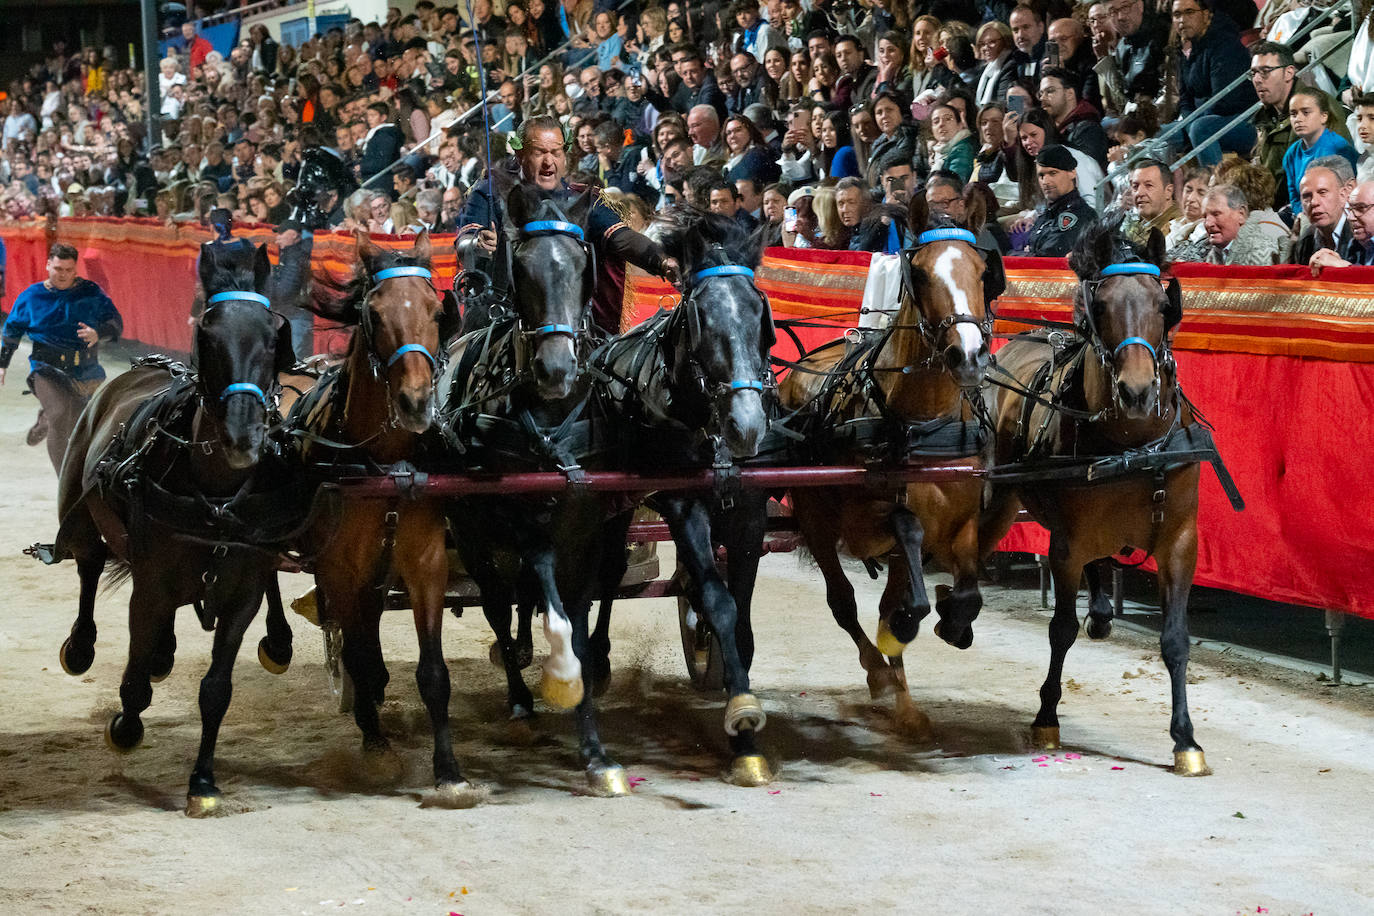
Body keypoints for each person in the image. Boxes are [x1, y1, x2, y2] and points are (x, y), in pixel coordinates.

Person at [456, 116, 681, 335]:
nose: (548, 162)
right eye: (539, 152)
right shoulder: (490, 191)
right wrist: (477, 242)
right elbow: (464, 241)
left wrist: (661, 260)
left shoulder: (584, 200)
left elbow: (622, 238)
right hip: (500, 316)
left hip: (569, 322)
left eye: (556, 152)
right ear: (519, 154)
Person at [0, 243, 122, 470]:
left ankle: (45, 420)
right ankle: (64, 482)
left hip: (85, 370)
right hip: (46, 368)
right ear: (48, 265)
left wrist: (99, 333)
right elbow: (12, 330)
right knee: (60, 413)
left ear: (75, 269)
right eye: (58, 269)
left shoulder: (91, 293)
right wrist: (2, 363)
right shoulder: (32, 296)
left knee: (76, 423)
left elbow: (116, 323)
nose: (63, 275)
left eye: (68, 270)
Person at [1170, 0, 1259, 167]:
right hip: (1201, 121)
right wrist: (1189, 123)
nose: (1182, 20)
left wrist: (1193, 125)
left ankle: (1214, 186)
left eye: (1189, 12)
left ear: (1205, 14)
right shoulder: (1186, 49)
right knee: (1160, 135)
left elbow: (1223, 101)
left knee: (1201, 129)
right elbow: (1185, 99)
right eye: (1177, 15)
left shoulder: (1225, 45)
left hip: (1244, 121)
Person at [1282, 88, 1358, 216]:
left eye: (1306, 112)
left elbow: (1347, 195)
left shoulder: (1338, 148)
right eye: (1293, 114)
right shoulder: (1291, 154)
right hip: (1308, 214)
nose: (1298, 119)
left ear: (1324, 116)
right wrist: (1302, 216)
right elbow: (1295, 197)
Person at [1023, 145, 1097, 256]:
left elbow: (1050, 256)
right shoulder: (1046, 215)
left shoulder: (1080, 215)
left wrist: (1023, 254)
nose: (1045, 181)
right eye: (1041, 175)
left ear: (1072, 172)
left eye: (1053, 173)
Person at [1288, 156, 1358, 265]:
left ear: (1344, 194)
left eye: (1322, 192)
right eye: (1306, 196)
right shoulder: (1305, 241)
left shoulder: (1363, 236)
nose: (1314, 202)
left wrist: (1345, 269)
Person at [1038, 67, 1109, 168]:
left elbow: (1082, 171)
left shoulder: (1088, 130)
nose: (1042, 98)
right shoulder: (1047, 128)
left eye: (1050, 91)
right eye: (1041, 93)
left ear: (1070, 94)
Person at [1195, 185, 1279, 265]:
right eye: (1205, 217)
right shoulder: (1214, 254)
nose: (1208, 223)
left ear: (1241, 214)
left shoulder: (1261, 252)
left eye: (1216, 214)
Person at [1311, 181, 1374, 270]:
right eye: (1350, 209)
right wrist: (1335, 261)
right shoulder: (1355, 246)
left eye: (1360, 208)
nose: (1350, 217)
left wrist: (1343, 268)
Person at [1121, 159, 1180, 245]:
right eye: (1135, 186)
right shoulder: (1134, 224)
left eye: (1148, 185)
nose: (1139, 193)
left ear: (1168, 191)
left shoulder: (1179, 227)